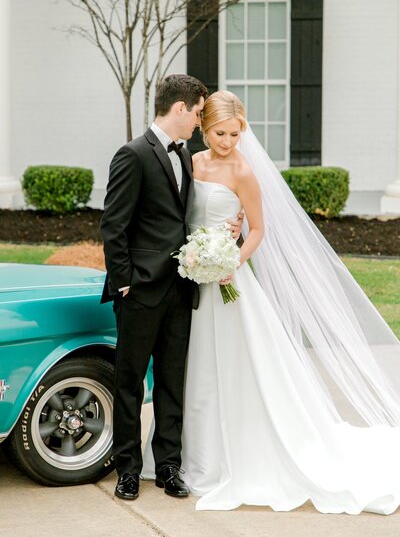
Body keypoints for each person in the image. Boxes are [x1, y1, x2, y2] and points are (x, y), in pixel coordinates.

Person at [172, 90, 400, 514]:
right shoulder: (191, 163)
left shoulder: (243, 171)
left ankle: (237, 455)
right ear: (204, 128)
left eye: (235, 134)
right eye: (220, 133)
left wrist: (231, 260)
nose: (228, 142)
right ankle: (195, 457)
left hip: (227, 282)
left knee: (239, 369)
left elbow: (257, 230)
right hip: (190, 278)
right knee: (196, 369)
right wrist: (194, 255)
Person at [100, 76, 242, 501]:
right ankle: (127, 469)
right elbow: (113, 225)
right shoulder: (132, 154)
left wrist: (230, 229)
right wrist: (124, 283)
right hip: (140, 291)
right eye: (199, 112)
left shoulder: (188, 157)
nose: (201, 120)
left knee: (171, 380)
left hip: (182, 288)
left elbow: (193, 216)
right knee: (130, 383)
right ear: (180, 108)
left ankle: (167, 466)